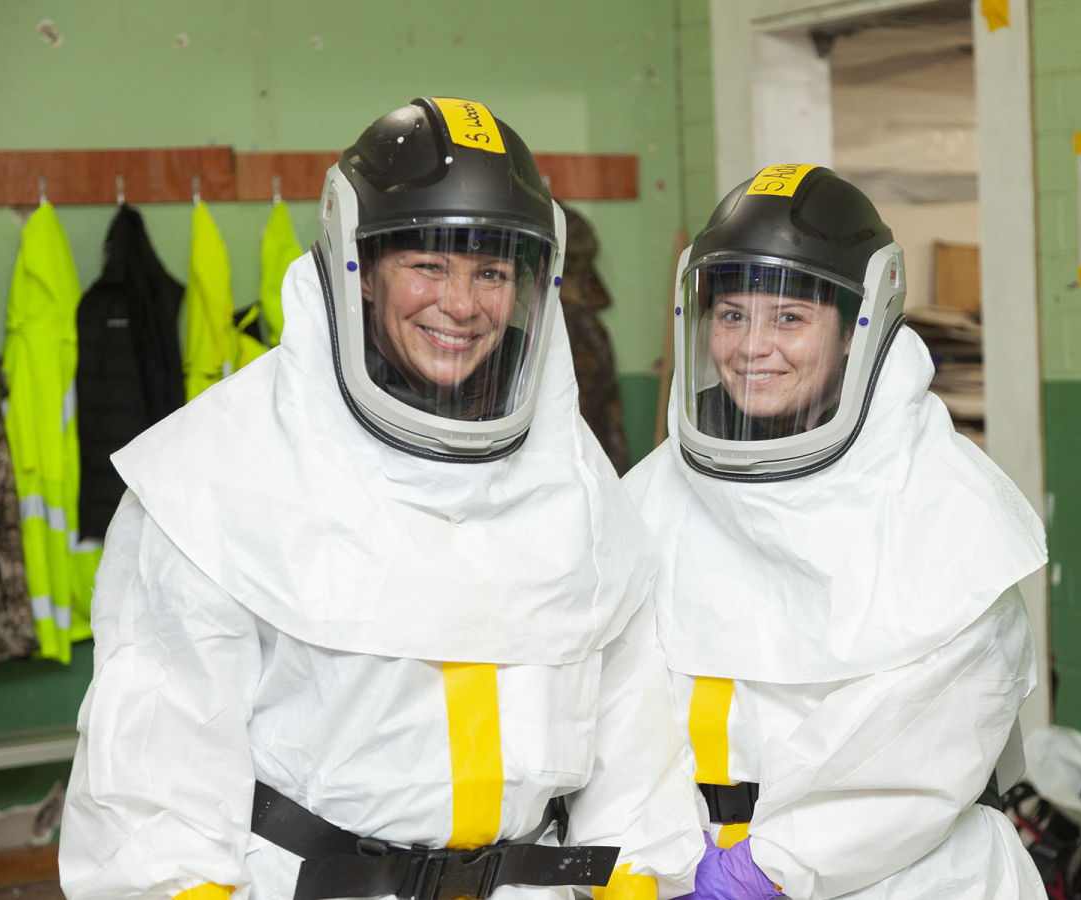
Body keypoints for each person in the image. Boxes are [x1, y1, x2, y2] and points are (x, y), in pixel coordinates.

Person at [60, 99, 703, 900]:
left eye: (493, 272)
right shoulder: (222, 475)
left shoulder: (569, 475)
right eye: (430, 265)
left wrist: (639, 876)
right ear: (359, 270)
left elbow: (632, 727)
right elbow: (154, 777)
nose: (463, 305)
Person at [624, 164, 1050, 900]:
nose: (753, 346)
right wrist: (650, 852)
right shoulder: (655, 491)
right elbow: (615, 702)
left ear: (858, 328)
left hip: (905, 880)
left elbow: (921, 748)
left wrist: (766, 868)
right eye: (730, 315)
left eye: (789, 318)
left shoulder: (941, 506)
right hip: (681, 873)